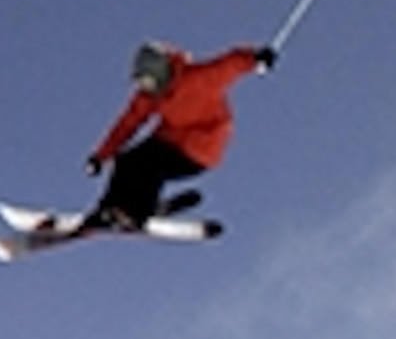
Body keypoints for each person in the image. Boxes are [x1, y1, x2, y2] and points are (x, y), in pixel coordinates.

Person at [85, 39, 274, 230]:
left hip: (201, 147)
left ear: (161, 73)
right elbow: (127, 124)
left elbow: (229, 65)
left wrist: (255, 60)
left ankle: (137, 213)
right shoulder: (149, 96)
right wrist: (101, 156)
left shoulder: (197, 79)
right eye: (142, 83)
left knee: (152, 165)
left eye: (149, 81)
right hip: (171, 138)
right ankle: (108, 209)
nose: (147, 88)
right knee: (127, 161)